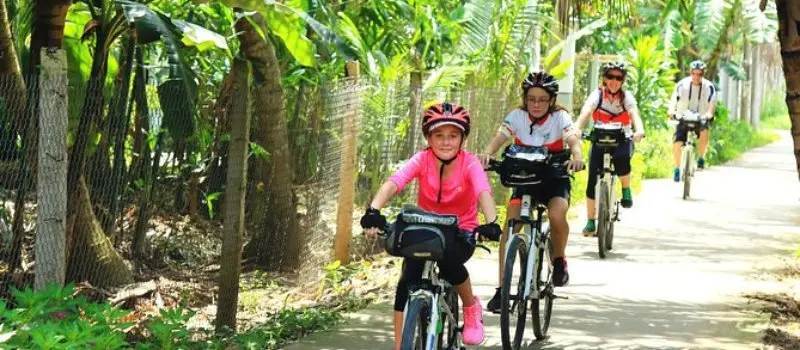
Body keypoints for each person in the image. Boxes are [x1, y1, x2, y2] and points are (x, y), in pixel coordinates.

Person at [360, 102, 503, 349]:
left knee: (449, 264)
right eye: (439, 135)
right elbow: (395, 181)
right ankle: (400, 345)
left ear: (462, 138)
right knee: (407, 279)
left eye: (453, 135)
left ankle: (470, 307)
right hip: (425, 230)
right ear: (428, 137)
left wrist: (491, 223)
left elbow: (483, 192)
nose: (446, 142)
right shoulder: (422, 159)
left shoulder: (470, 163)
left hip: (460, 233)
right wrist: (373, 210)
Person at [478, 71, 585, 312]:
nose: (536, 104)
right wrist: (488, 153)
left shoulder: (560, 117)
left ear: (552, 100)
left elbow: (573, 140)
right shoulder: (517, 116)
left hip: (554, 178)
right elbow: (499, 138)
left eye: (542, 100)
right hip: (524, 178)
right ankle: (502, 289)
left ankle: (559, 259)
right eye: (531, 99)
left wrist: (577, 156)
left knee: (557, 215)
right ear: (525, 99)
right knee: (511, 225)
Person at [574, 61, 645, 237]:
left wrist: (639, 130)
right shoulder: (597, 95)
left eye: (618, 78)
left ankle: (626, 189)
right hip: (599, 138)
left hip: (622, 138)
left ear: (622, 81)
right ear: (604, 79)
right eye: (610, 77)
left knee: (622, 160)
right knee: (592, 178)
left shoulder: (626, 97)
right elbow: (586, 112)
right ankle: (591, 220)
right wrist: (577, 128)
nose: (614, 81)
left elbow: (634, 114)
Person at [668, 60, 718, 181]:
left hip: (700, 117)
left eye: (699, 74)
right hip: (683, 117)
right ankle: (677, 168)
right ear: (690, 73)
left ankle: (700, 158)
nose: (696, 77)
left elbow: (711, 103)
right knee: (677, 142)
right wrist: (671, 111)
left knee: (704, 132)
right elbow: (674, 99)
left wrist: (709, 114)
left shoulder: (709, 86)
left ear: (703, 74)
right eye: (694, 73)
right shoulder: (682, 85)